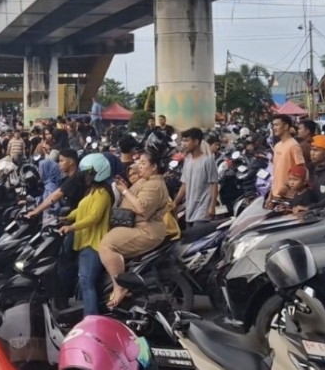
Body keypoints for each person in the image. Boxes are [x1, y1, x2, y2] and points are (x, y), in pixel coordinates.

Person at [100, 151, 171, 307]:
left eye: (144, 163)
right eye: (139, 162)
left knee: (107, 246)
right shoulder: (146, 180)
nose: (140, 166)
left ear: (154, 167)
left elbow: (142, 209)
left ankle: (120, 287)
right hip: (135, 226)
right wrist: (124, 187)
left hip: (146, 230)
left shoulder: (154, 185)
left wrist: (125, 191)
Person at [59, 154, 112, 316]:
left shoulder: (103, 194)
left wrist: (72, 227)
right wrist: (66, 218)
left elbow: (94, 217)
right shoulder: (92, 192)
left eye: (88, 173)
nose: (85, 176)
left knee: (86, 283)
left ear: (99, 172)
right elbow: (81, 210)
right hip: (84, 242)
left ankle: (91, 318)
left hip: (93, 244)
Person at [173, 128, 219, 226]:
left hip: (203, 209)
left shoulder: (208, 161)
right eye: (183, 140)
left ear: (196, 142)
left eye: (186, 140)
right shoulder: (187, 161)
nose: (183, 144)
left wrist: (212, 206)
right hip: (190, 208)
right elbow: (184, 184)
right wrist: (175, 202)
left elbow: (214, 184)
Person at [268, 115, 306, 206]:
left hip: (288, 196)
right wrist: (271, 194)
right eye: (273, 125)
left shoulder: (293, 145)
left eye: (277, 125)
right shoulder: (277, 146)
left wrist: (287, 186)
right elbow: (276, 172)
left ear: (285, 126)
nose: (274, 128)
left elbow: (301, 169)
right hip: (276, 194)